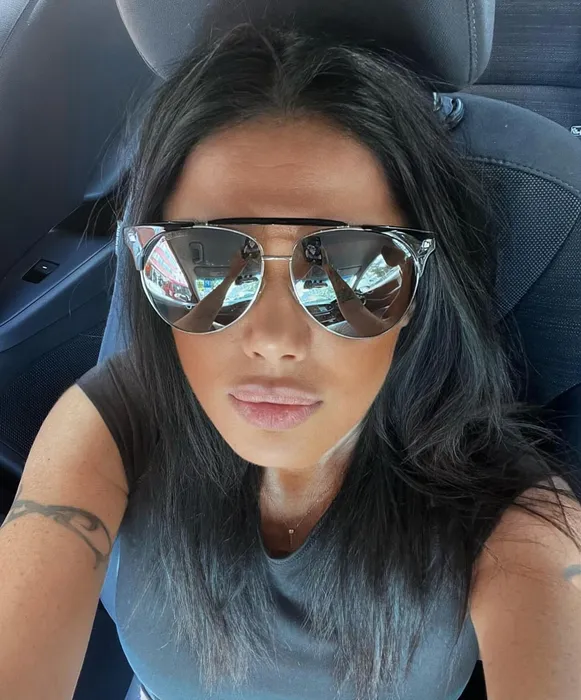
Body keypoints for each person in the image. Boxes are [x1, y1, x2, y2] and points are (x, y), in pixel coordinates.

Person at [1, 23, 581, 700]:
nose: (274, 338)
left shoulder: (518, 526)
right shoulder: (114, 423)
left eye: (350, 268)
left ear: (417, 293)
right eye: (205, 261)